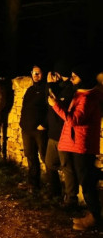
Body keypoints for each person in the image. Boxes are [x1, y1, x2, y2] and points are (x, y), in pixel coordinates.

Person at [48, 64, 103, 230]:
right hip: (78, 144)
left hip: (82, 146)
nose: (71, 78)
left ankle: (94, 219)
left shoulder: (87, 98)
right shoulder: (82, 94)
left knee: (86, 183)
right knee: (87, 180)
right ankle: (93, 214)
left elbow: (74, 120)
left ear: (84, 78)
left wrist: (55, 105)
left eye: (75, 75)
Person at [44, 61, 76, 203]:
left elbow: (60, 104)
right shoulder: (57, 87)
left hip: (64, 134)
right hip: (53, 134)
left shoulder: (71, 90)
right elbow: (48, 100)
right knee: (49, 163)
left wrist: (52, 86)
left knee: (66, 166)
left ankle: (71, 197)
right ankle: (55, 191)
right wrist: (50, 85)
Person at [19, 66, 48, 193]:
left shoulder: (47, 89)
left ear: (43, 74)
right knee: (30, 156)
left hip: (39, 130)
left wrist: (44, 123)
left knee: (45, 156)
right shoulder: (30, 89)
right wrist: (22, 123)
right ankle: (33, 183)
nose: (36, 75)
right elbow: (25, 107)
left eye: (39, 73)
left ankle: (52, 187)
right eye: (34, 73)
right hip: (27, 128)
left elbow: (50, 108)